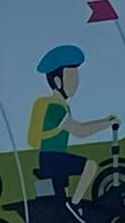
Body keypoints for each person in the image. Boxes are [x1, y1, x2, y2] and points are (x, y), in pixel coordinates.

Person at [25, 42, 114, 204]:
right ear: (58, 81)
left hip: (51, 158)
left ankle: (67, 207)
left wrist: (104, 121)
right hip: (53, 159)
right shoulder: (55, 108)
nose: (76, 82)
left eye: (76, 76)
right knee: (90, 166)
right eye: (71, 77)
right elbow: (80, 130)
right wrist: (106, 124)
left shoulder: (58, 105)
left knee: (59, 198)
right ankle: (74, 204)